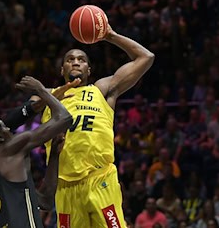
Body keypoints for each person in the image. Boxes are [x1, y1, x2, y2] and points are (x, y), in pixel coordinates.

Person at [34, 23, 155, 227]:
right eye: (70, 59)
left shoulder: (102, 90)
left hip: (100, 180)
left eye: (81, 60)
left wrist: (109, 35)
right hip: (65, 187)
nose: (75, 62)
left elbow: (146, 57)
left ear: (89, 69)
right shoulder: (48, 96)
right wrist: (56, 92)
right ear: (62, 68)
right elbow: (31, 100)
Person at [0, 76, 73, 227]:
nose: (10, 129)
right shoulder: (8, 150)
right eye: (4, 126)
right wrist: (40, 89)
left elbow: (45, 200)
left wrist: (54, 155)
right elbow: (64, 118)